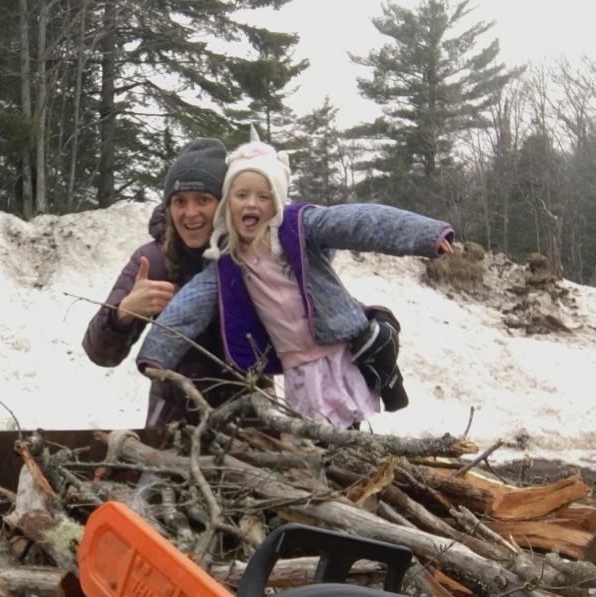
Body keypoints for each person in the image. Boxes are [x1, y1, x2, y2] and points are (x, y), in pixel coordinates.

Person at [136, 141, 454, 429]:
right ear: (227, 203)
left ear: (277, 201)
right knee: (314, 433)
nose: (252, 204)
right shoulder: (227, 262)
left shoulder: (299, 228)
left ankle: (386, 383)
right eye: (241, 195)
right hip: (297, 365)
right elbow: (188, 307)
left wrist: (427, 236)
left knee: (344, 423)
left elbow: (362, 223)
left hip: (335, 349)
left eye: (264, 196)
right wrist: (156, 355)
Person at [83, 137, 250, 427]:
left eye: (203, 200)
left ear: (223, 205)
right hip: (175, 425)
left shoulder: (254, 255)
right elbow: (99, 353)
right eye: (179, 201)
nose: (190, 213)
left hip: (252, 420)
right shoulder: (154, 261)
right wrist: (123, 313)